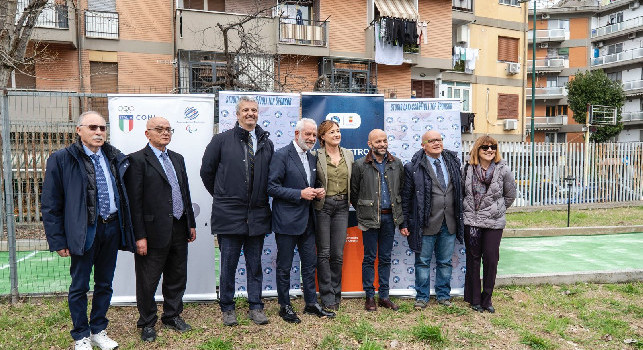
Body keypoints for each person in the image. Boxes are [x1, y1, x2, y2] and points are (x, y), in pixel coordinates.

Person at [42, 111, 136, 350]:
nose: (98, 132)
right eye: (93, 127)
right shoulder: (62, 159)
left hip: (112, 228)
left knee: (105, 283)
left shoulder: (114, 157)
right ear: (79, 130)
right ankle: (81, 335)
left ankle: (98, 330)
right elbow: (51, 203)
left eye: (102, 128)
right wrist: (58, 239)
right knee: (80, 286)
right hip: (84, 232)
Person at [200, 96, 274, 326]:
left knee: (255, 265)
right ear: (237, 114)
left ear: (258, 113)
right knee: (228, 265)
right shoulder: (221, 140)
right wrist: (224, 196)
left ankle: (256, 306)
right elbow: (207, 173)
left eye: (253, 110)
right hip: (229, 214)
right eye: (245, 110)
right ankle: (228, 307)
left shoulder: (266, 142)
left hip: (258, 214)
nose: (250, 113)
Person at [125, 117, 197, 342]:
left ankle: (172, 315)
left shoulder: (177, 158)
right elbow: (134, 203)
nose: (165, 133)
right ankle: (147, 322)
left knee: (177, 275)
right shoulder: (137, 160)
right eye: (159, 129)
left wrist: (190, 223)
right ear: (147, 133)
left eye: (168, 129)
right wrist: (139, 236)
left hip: (178, 226)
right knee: (148, 280)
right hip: (151, 231)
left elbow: (184, 193)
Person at [268, 118, 335, 323]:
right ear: (297, 134)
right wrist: (299, 193)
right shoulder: (281, 155)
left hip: (308, 221)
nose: (312, 138)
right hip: (287, 221)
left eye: (314, 135)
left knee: (309, 265)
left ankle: (310, 303)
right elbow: (271, 187)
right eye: (308, 134)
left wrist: (318, 191)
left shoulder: (312, 157)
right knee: (285, 266)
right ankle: (284, 306)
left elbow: (309, 185)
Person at [401, 130, 464, 309]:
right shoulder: (413, 167)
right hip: (425, 224)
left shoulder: (453, 163)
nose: (436, 143)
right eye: (432, 140)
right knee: (422, 262)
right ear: (423, 145)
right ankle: (422, 297)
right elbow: (406, 197)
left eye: (439, 139)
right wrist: (405, 222)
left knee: (445, 262)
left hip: (449, 222)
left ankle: (443, 295)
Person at [350, 129, 404, 312]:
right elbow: (354, 193)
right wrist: (365, 210)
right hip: (369, 219)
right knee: (369, 258)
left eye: (384, 140)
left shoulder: (397, 164)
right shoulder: (359, 165)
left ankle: (385, 297)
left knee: (385, 258)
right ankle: (369, 297)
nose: (382, 144)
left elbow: (401, 191)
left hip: (390, 217)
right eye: (378, 141)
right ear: (370, 144)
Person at [463, 136, 516, 313]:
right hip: (472, 221)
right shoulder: (468, 168)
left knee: (491, 260)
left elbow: (510, 195)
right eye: (485, 147)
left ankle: (487, 299)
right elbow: (462, 194)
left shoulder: (504, 170)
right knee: (473, 259)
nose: (489, 150)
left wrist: (497, 209)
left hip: (494, 222)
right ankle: (474, 299)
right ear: (477, 149)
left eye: (493, 147)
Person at [313, 120, 354, 310]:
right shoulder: (315, 155)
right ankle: (326, 295)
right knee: (324, 253)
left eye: (338, 131)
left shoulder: (349, 154)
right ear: (322, 137)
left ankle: (336, 292)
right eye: (331, 132)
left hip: (343, 206)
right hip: (323, 207)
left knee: (337, 253)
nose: (336, 134)